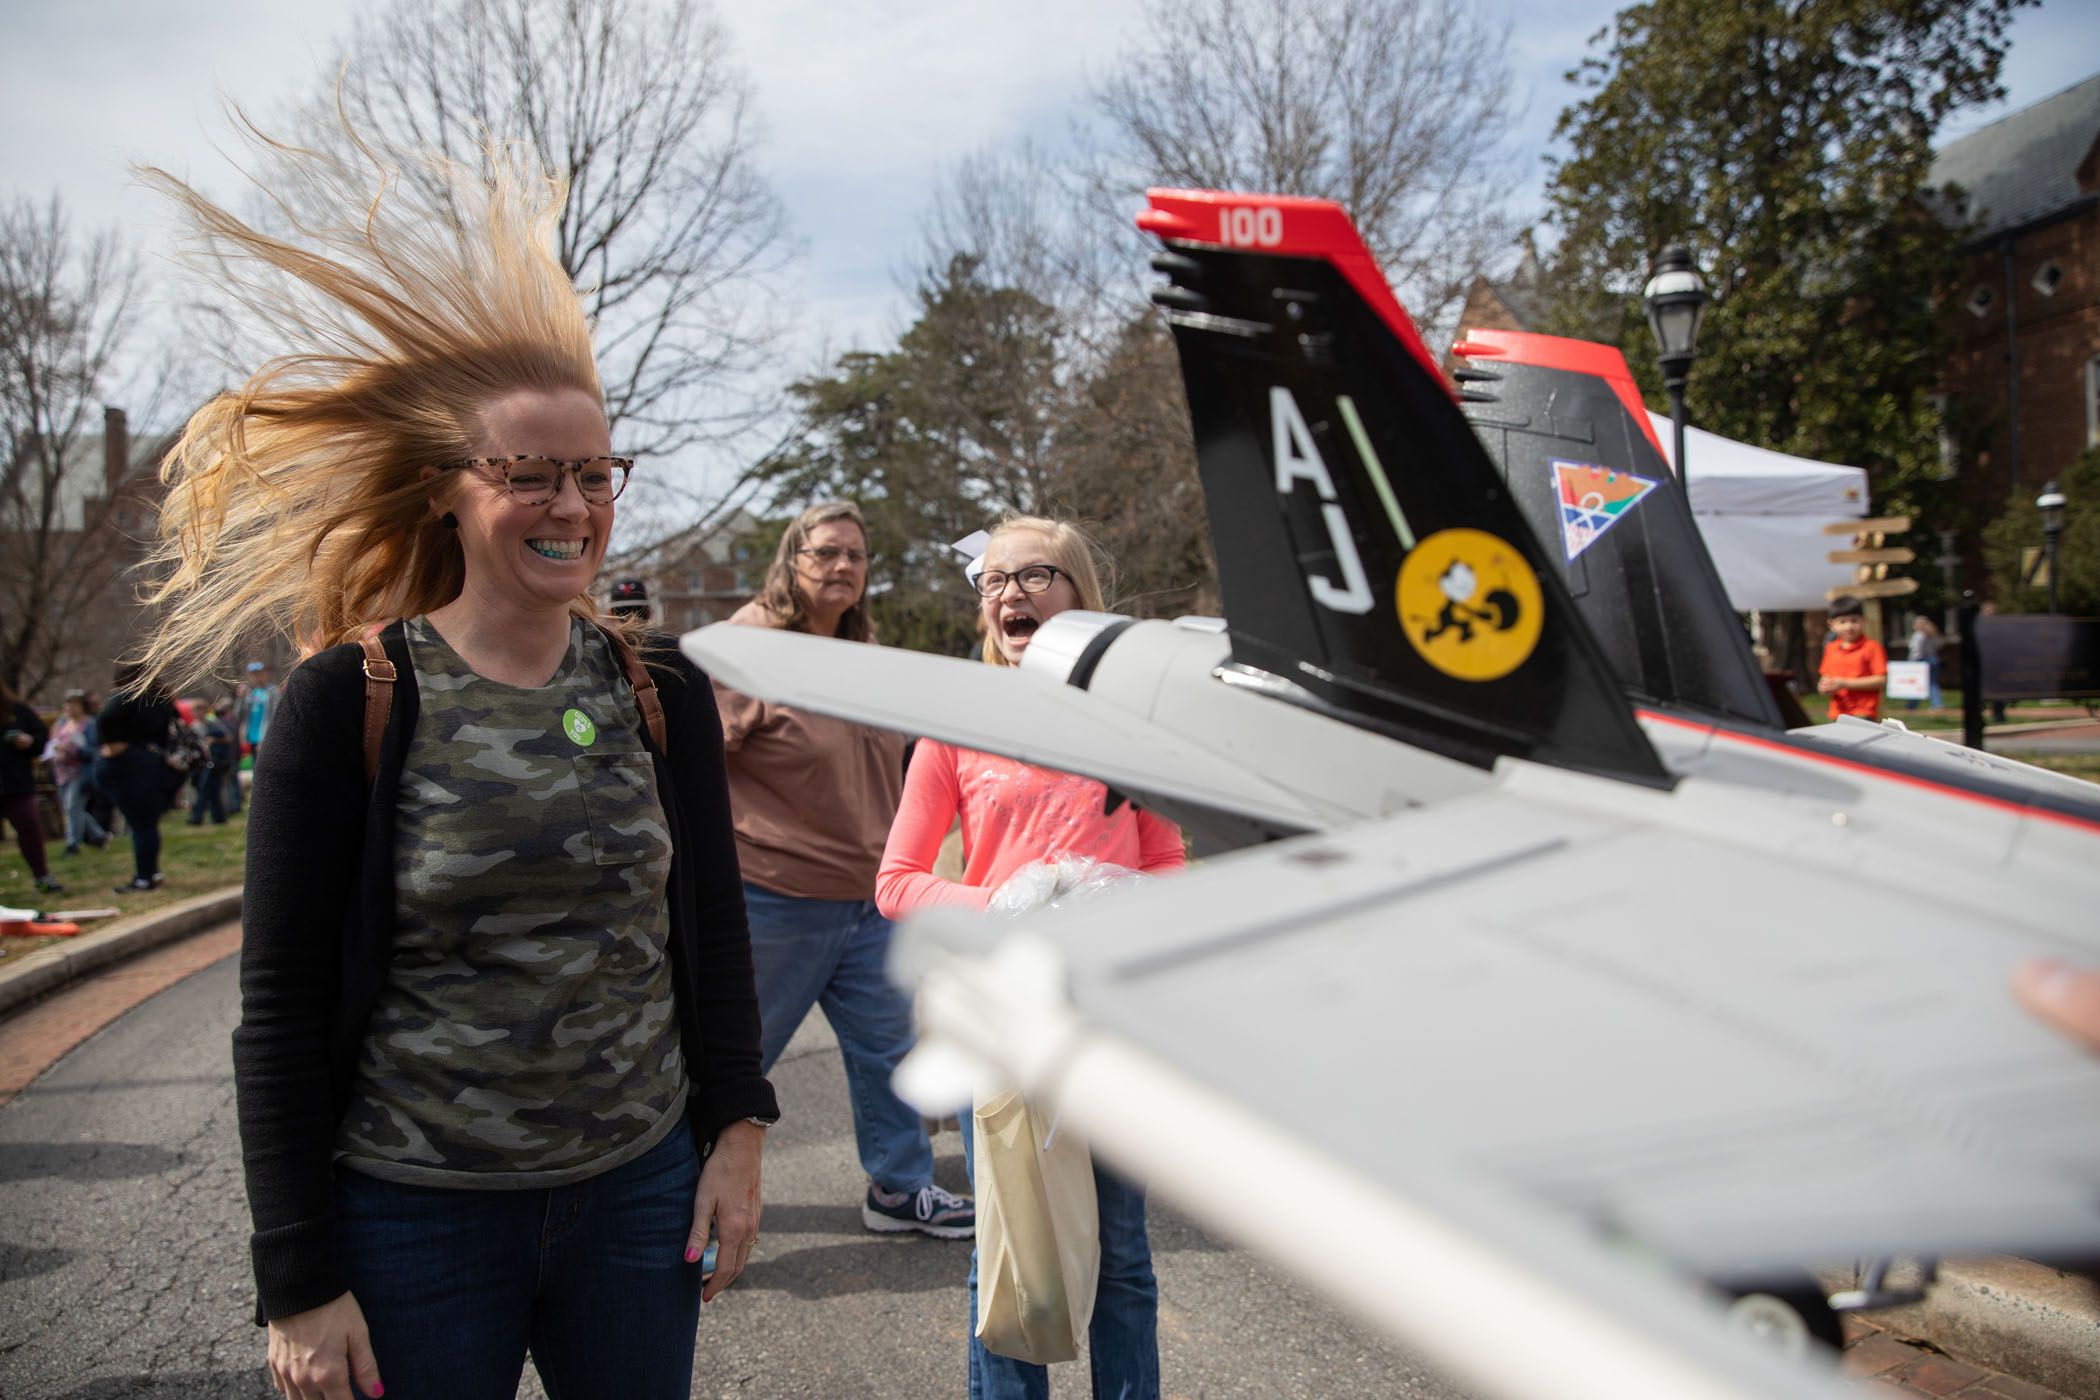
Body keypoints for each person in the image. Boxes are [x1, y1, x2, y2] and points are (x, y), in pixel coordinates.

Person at [136, 125, 777, 1400]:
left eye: (595, 474)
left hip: (637, 1199)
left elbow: (708, 922)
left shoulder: (665, 694)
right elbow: (278, 1012)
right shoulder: (352, 698)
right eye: (529, 473)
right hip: (416, 1219)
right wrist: (299, 1279)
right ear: (443, 489)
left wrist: (738, 1131)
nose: (573, 505)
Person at [877, 515, 1181, 1400]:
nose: (1009, 594)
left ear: (1081, 594)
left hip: (1109, 1022)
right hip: (1002, 1025)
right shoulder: (955, 727)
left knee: (1123, 1257)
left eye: (1035, 575)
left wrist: (1113, 898)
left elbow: (1164, 863)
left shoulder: (1130, 727)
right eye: (993, 582)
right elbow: (896, 883)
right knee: (1009, 1260)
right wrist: (1004, 902)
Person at [714, 501, 973, 1242]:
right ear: (791, 558)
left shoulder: (862, 649)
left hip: (868, 903)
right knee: (738, 1066)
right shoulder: (749, 646)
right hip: (774, 899)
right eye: (826, 552)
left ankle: (900, 1187)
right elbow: (694, 765)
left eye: (856, 556)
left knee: (888, 1049)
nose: (842, 567)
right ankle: (682, 1210)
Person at [92, 664, 180, 894]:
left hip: (131, 769)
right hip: (159, 767)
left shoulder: (123, 701)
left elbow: (110, 734)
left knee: (140, 825)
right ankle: (151, 872)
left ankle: (144, 877)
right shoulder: (162, 700)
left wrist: (109, 749)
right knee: (148, 825)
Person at [1, 677, 61, 894]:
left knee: (29, 827)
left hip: (16, 784)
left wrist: (29, 742)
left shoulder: (16, 710)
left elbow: (42, 737)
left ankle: (42, 876)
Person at [45, 690, 108, 855]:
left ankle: (72, 844)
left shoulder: (89, 725)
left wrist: (78, 749)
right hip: (61, 772)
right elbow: (52, 741)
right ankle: (99, 835)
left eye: (74, 704)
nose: (70, 707)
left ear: (82, 706)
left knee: (73, 806)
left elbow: (94, 750)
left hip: (80, 772)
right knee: (72, 808)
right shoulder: (61, 723)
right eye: (68, 704)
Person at [1817, 596, 1887, 722]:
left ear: (1864, 621)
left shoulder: (1872, 647)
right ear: (1831, 625)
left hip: (1863, 712)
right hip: (1838, 712)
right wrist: (1824, 687)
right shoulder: (1831, 648)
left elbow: (1881, 681)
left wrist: (1844, 683)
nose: (1849, 627)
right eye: (1842, 622)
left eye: (1854, 621)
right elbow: (1826, 676)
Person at [188, 697, 235, 826]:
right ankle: (219, 817)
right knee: (210, 789)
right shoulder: (192, 727)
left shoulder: (213, 724)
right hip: (200, 762)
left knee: (207, 788)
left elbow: (229, 738)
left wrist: (213, 740)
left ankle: (197, 817)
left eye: (201, 710)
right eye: (196, 711)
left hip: (214, 760)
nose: (199, 713)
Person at [1905, 613, 1943, 711]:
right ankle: (1937, 704)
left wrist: (1912, 662)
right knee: (1932, 683)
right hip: (1933, 659)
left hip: (1921, 660)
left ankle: (1912, 705)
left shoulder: (1918, 635)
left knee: (1916, 683)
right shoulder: (1932, 633)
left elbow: (1916, 650)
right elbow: (1938, 646)